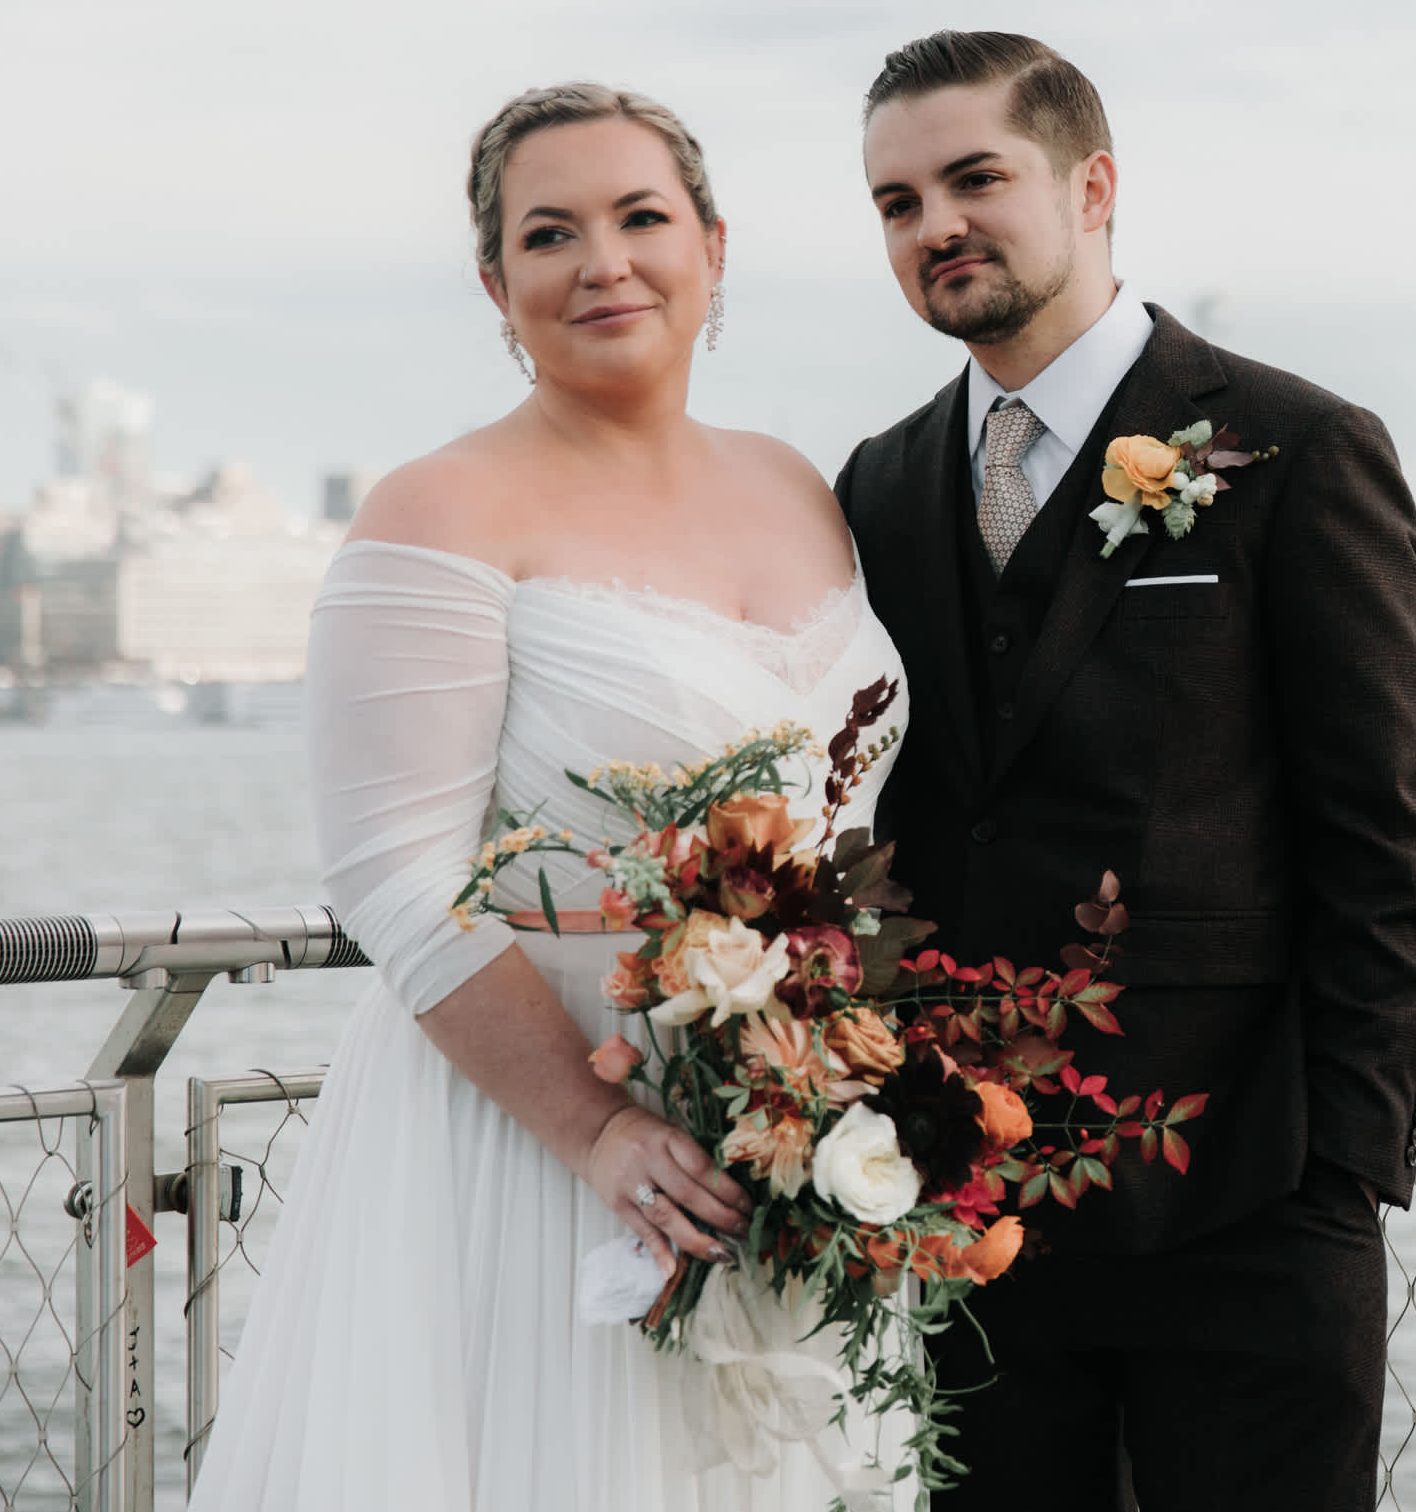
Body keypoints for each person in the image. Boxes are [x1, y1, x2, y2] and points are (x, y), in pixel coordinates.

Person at [191, 84, 908, 1510]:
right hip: (541, 1133)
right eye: (550, 233)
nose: (605, 263)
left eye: (642, 217)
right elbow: (392, 873)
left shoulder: (798, 486)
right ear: (494, 282)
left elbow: (858, 827)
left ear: (712, 245)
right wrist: (594, 1130)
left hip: (793, 1128)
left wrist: (845, 1072)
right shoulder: (441, 508)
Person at [834, 31, 1416, 1509]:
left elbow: (1388, 849)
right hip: (973, 1215)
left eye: (976, 179)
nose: (936, 226)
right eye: (898, 203)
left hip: (1246, 1209)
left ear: (1093, 186)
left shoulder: (1296, 448)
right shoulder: (878, 485)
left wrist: (1339, 1170)